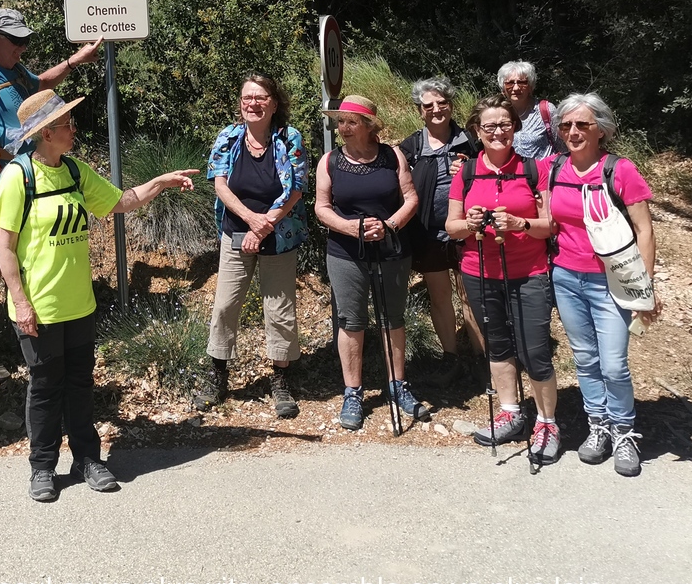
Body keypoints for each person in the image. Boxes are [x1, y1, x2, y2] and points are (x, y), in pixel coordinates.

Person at [0, 89, 197, 501]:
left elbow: (121, 201)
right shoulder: (18, 177)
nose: (73, 129)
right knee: (46, 388)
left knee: (81, 385)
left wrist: (161, 182)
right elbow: (3, 247)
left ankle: (87, 460)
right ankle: (42, 468)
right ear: (47, 133)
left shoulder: (75, 171)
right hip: (39, 308)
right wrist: (22, 303)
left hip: (79, 304)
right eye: (66, 123)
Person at [0, 8, 103, 382]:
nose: (22, 47)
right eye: (16, 41)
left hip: (28, 178)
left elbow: (41, 83)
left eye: (25, 40)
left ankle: (22, 328)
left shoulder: (15, 72)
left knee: (18, 251)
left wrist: (75, 60)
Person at [545, 93, 659, 476]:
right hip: (565, 277)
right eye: (566, 125)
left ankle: (624, 432)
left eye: (582, 124)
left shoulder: (619, 170)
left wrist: (645, 289)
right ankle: (599, 426)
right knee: (585, 358)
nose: (573, 132)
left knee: (613, 364)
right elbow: (510, 173)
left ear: (601, 130)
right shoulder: (552, 168)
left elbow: (645, 230)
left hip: (612, 282)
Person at [445, 93, 560, 466]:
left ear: (515, 128)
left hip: (529, 273)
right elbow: (452, 226)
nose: (498, 132)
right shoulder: (465, 172)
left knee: (535, 350)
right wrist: (470, 224)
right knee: (497, 345)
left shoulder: (533, 169)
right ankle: (510, 411)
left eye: (505, 125)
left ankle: (547, 423)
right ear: (477, 131)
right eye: (490, 126)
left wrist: (518, 223)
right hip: (479, 272)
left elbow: (549, 226)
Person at [193, 73, 310, 419]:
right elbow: (220, 185)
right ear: (240, 103)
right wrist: (250, 220)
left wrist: (262, 227)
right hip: (235, 232)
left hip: (279, 233)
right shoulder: (228, 137)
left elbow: (296, 189)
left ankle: (281, 379)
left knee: (280, 309)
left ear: (274, 104)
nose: (253, 104)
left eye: (261, 98)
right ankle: (218, 376)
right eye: (247, 97)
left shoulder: (289, 138)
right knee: (225, 305)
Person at [315, 95, 428, 431]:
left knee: (393, 318)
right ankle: (353, 392)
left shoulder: (392, 156)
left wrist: (390, 225)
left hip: (391, 248)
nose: (343, 128)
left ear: (368, 126)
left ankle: (398, 385)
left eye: (351, 122)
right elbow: (322, 207)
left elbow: (411, 198)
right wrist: (350, 227)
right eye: (340, 121)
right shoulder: (330, 161)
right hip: (346, 252)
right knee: (351, 320)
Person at [397, 78, 485, 384]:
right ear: (419, 111)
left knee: (470, 296)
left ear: (451, 105)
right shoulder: (410, 147)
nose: (436, 109)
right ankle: (451, 359)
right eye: (428, 105)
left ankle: (482, 360)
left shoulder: (471, 141)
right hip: (428, 234)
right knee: (439, 296)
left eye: (442, 103)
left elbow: (490, 175)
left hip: (466, 230)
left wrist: (470, 171)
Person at [497, 60, 564, 159]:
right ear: (503, 89)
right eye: (510, 83)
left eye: (522, 83)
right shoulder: (499, 114)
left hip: (544, 168)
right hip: (512, 169)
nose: (516, 88)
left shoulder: (546, 110)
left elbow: (562, 147)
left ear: (531, 87)